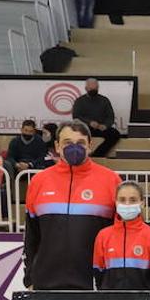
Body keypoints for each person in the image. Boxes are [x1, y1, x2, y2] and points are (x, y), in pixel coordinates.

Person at [23, 121, 122, 290]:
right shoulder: (39, 181)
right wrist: (29, 279)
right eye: (67, 143)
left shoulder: (111, 180)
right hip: (45, 284)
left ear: (90, 146)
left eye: (81, 143)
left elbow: (119, 237)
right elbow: (31, 236)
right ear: (57, 146)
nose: (74, 148)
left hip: (94, 286)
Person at [91, 182, 150, 291]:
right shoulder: (103, 236)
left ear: (142, 203)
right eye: (122, 200)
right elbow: (98, 273)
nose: (127, 204)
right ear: (116, 203)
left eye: (133, 200)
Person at [71, 78, 122, 157]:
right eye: (91, 88)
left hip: (101, 128)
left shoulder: (104, 100)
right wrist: (89, 123)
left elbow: (110, 116)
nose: (93, 90)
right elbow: (76, 116)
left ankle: (97, 155)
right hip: (86, 128)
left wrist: (105, 125)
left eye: (95, 88)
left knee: (114, 134)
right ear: (86, 88)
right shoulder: (80, 101)